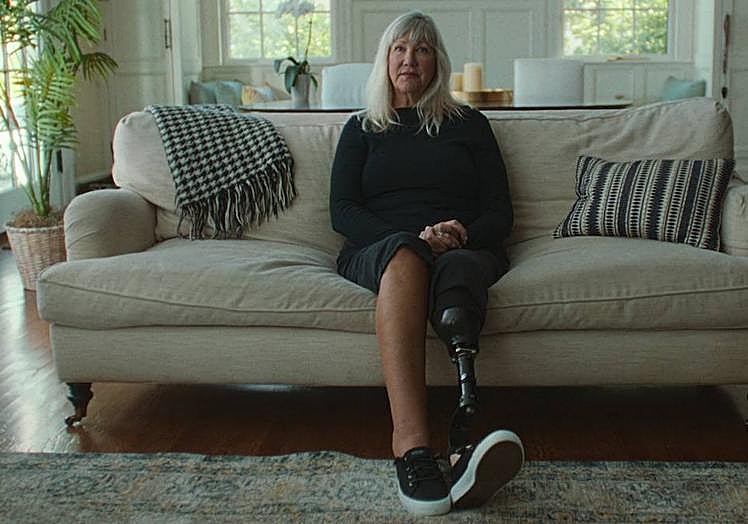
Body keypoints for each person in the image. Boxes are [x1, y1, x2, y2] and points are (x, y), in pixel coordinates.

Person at [329, 11, 523, 516]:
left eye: (421, 49)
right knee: (406, 256)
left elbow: (500, 212)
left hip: (460, 248)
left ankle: (463, 440)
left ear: (438, 61)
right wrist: (411, 239)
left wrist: (460, 234)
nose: (409, 59)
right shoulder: (362, 128)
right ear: (385, 59)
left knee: (458, 275)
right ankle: (412, 447)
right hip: (383, 247)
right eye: (399, 49)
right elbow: (342, 211)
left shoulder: (469, 125)